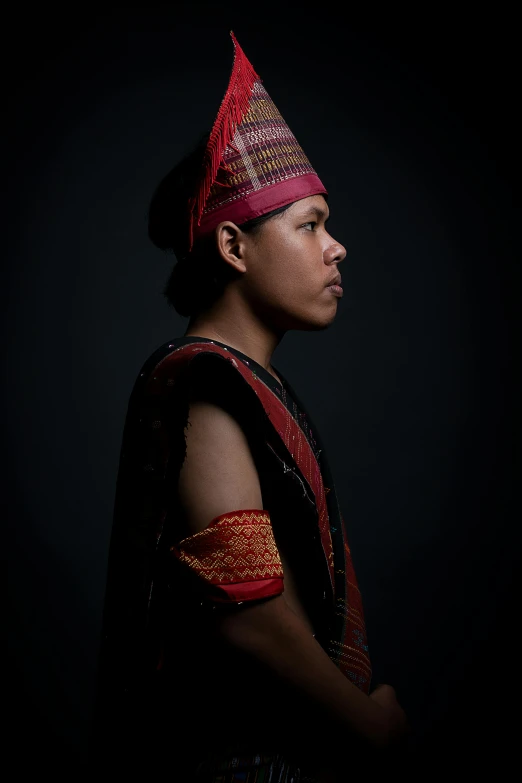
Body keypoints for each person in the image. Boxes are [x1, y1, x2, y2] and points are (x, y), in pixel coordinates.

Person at [91, 31, 408, 782]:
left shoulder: (243, 384)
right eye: (311, 226)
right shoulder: (205, 383)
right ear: (234, 247)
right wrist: (368, 725)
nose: (337, 248)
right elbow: (249, 608)